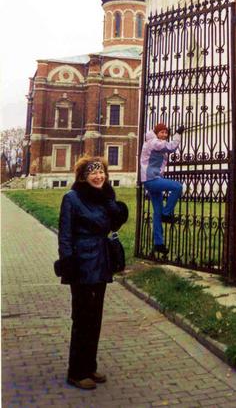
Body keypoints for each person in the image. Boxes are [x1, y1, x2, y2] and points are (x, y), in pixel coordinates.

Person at [56, 156, 129, 391]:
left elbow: (115, 224)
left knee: (95, 317)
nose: (98, 177)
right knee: (82, 318)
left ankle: (90, 366)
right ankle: (76, 372)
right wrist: (68, 263)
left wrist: (110, 201)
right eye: (93, 173)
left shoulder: (104, 197)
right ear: (83, 176)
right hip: (81, 263)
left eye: (101, 173)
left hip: (101, 261)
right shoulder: (72, 198)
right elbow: (65, 235)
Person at [140, 122, 184, 255]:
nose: (164, 135)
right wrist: (178, 134)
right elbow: (171, 147)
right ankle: (167, 213)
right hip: (151, 180)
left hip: (153, 179)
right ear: (156, 132)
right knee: (178, 187)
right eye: (162, 132)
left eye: (166, 132)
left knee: (157, 213)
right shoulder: (153, 142)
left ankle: (159, 244)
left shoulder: (155, 142)